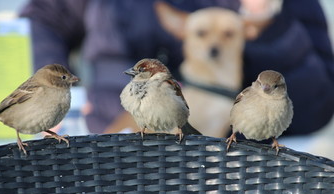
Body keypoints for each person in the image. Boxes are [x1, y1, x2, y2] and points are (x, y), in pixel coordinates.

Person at [20, 0, 334, 135]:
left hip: (232, 166)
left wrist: (267, 21)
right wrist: (50, 93)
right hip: (111, 143)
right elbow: (45, 17)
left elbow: (315, 107)